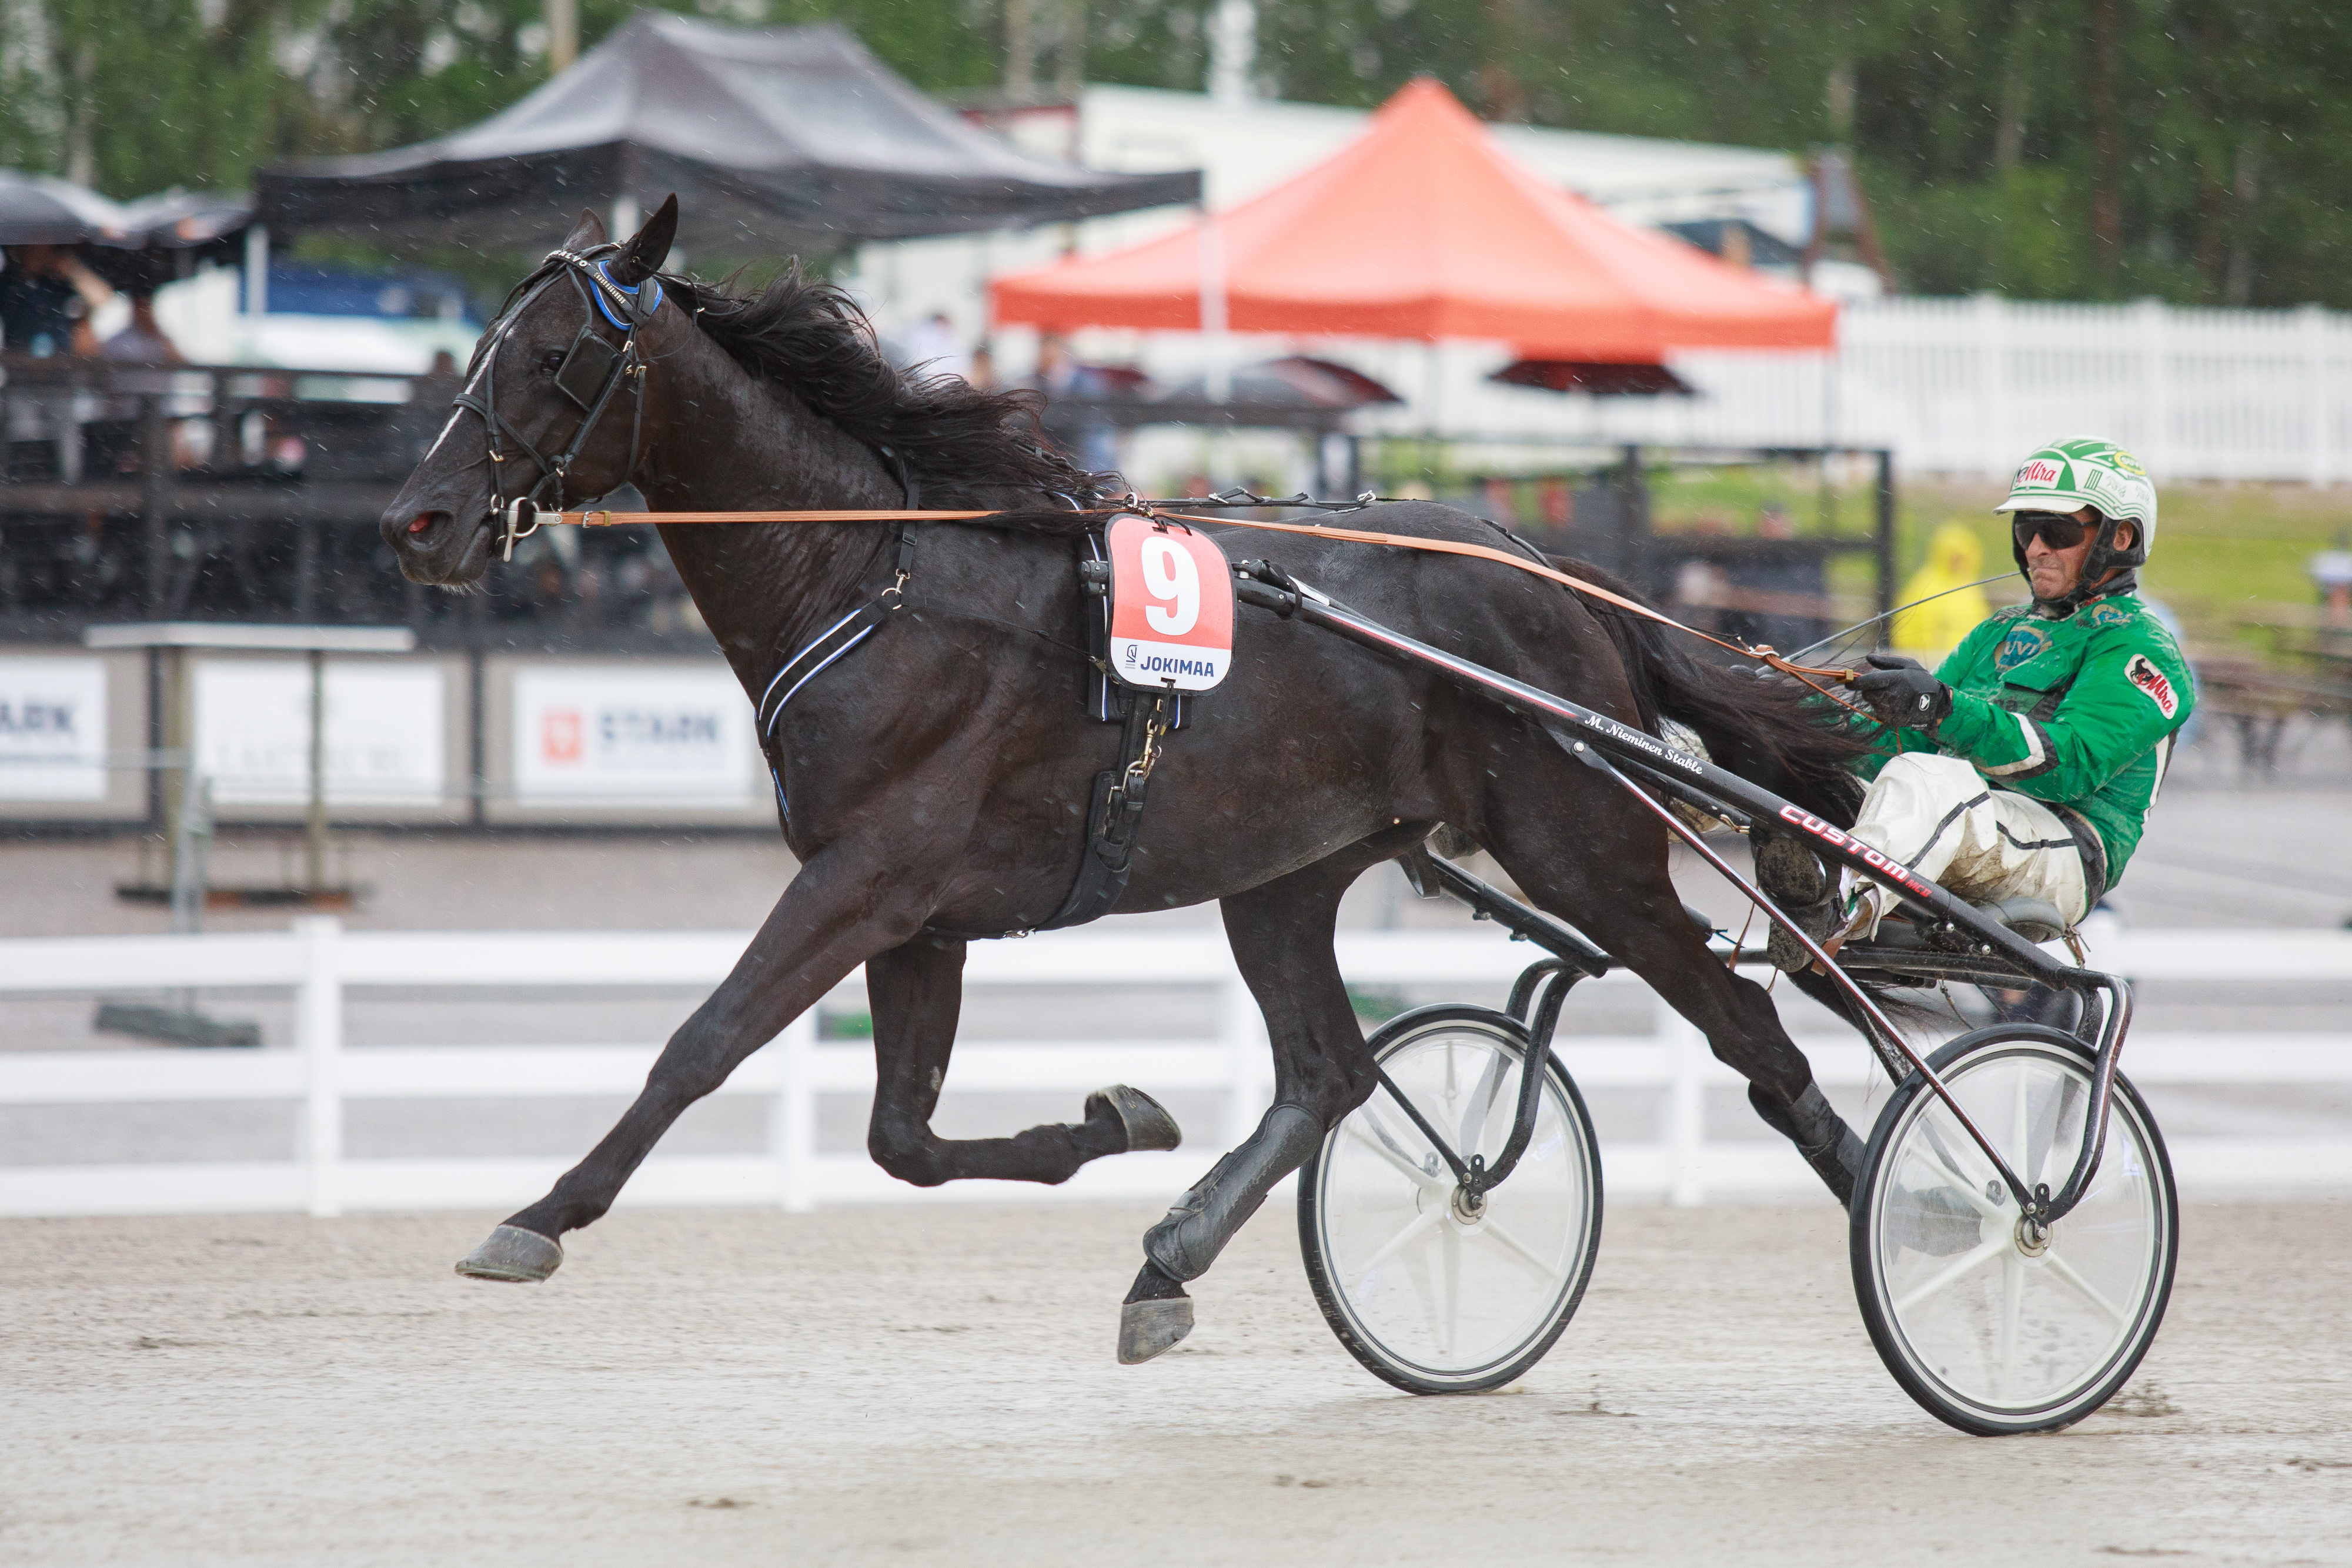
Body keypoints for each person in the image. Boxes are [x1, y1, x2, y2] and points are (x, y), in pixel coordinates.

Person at [1760, 437, 2196, 970]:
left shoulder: (2142, 648)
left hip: (2064, 848)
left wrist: (1939, 708)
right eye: (2025, 528)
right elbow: (1902, 744)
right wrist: (1781, 712)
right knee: (1790, 758)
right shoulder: (1998, 630)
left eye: (2056, 531)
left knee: (1929, 781)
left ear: (2120, 536)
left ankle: (1835, 907)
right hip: (1970, 819)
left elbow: (2070, 765)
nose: (2036, 547)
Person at [1887, 522, 1993, 663]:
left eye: (1961, 557)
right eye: (1954, 556)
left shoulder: (1971, 589)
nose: (1958, 562)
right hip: (1928, 665)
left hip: (1964, 665)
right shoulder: (1923, 586)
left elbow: (1982, 628)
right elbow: (1904, 631)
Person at [0, 244, 114, 356]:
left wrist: (69, 266)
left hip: (60, 365)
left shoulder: (58, 285)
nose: (39, 252)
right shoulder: (7, 284)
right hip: (17, 364)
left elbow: (105, 301)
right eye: (33, 245)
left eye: (45, 247)